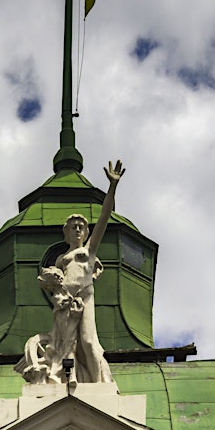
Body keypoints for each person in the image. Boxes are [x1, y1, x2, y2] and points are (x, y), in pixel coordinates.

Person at [51, 159, 124, 384]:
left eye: (81, 227)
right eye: (73, 227)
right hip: (65, 301)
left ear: (85, 232)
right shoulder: (61, 259)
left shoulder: (89, 250)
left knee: (89, 341)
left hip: (85, 296)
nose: (77, 229)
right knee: (67, 345)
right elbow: (50, 283)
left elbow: (104, 217)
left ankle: (99, 382)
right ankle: (70, 376)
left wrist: (112, 187)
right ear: (66, 233)